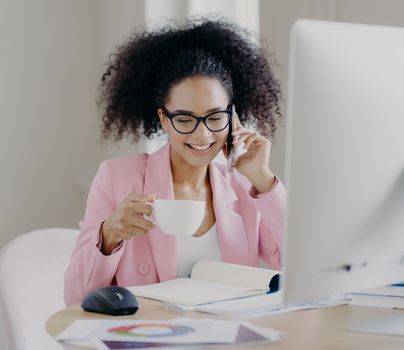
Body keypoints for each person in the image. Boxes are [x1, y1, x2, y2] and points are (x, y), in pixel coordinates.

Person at [64, 18, 286, 306]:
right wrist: (109, 235)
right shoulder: (118, 177)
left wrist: (263, 179)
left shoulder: (245, 185)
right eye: (184, 119)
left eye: (216, 117)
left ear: (233, 116)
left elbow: (304, 263)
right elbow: (75, 298)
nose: (202, 133)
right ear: (163, 120)